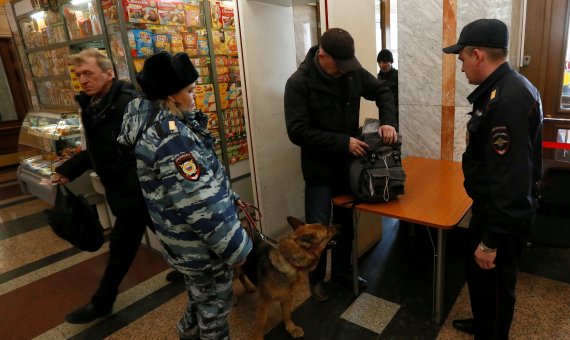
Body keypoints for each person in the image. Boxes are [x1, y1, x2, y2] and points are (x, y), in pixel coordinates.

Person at [117, 51, 252, 339]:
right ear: (171, 95)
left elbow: (205, 177)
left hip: (184, 243)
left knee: (200, 299)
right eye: (189, 91)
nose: (194, 97)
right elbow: (198, 201)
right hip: (201, 248)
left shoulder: (157, 123)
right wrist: (236, 249)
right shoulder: (169, 135)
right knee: (214, 311)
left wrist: (233, 196)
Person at [442, 19, 543, 339]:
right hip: (491, 209)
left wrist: (491, 240)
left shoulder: (505, 101)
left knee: (497, 285)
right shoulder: (508, 87)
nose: (462, 69)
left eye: (462, 60)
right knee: (480, 279)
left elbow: (512, 182)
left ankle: (492, 332)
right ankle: (484, 323)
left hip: (501, 216)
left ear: (477, 54)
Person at [284, 28, 398, 302]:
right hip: (319, 170)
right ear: (321, 56)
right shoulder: (299, 83)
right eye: (337, 65)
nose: (343, 71)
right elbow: (297, 131)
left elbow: (382, 89)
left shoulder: (351, 71)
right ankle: (316, 280)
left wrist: (388, 121)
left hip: (348, 168)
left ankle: (343, 273)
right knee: (317, 229)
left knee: (345, 224)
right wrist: (342, 142)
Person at [51, 48, 155, 324]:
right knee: (175, 237)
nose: (82, 80)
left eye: (88, 73)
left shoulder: (127, 103)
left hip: (141, 193)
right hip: (129, 194)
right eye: (79, 75)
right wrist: (68, 170)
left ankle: (102, 301)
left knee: (122, 247)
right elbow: (101, 150)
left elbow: (147, 148)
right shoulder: (95, 105)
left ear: (109, 73)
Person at [377, 48, 399, 126]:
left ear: (391, 62)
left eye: (385, 62)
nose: (382, 65)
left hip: (397, 115)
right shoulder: (378, 77)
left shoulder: (398, 75)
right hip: (382, 113)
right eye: (380, 62)